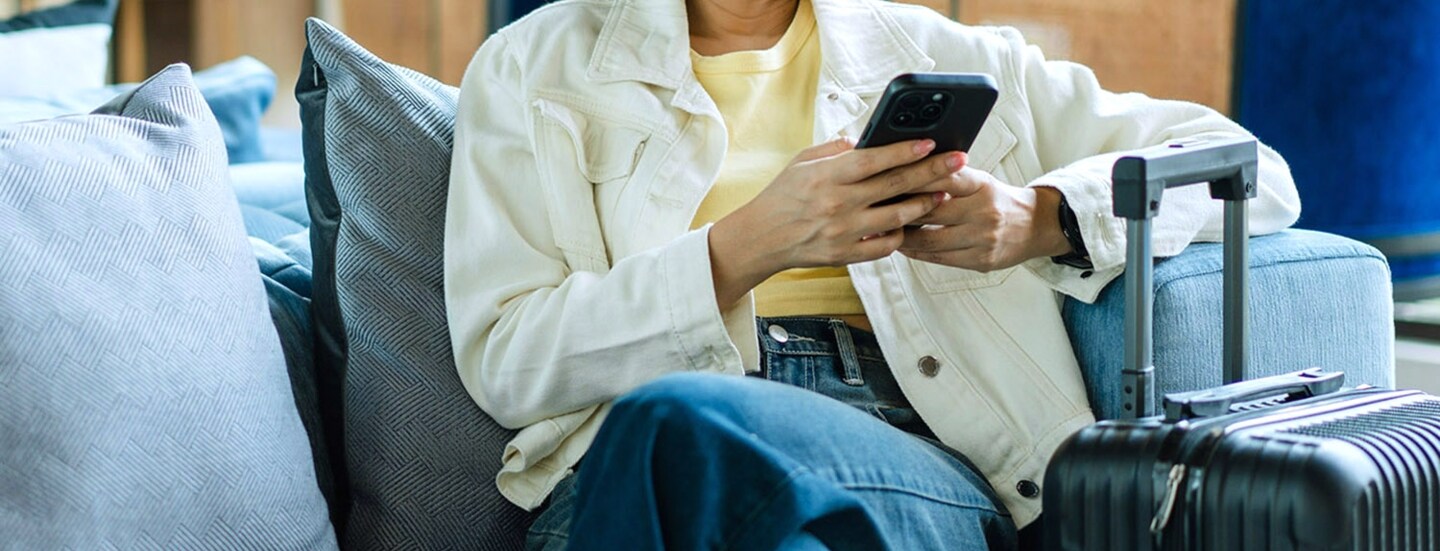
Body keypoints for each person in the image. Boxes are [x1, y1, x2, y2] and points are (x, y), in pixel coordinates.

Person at [444, 0, 1301, 548]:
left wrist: (1041, 218)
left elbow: (1253, 170)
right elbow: (507, 361)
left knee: (685, 426)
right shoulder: (537, 67)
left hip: (912, 455)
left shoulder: (938, 49)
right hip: (642, 465)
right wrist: (742, 247)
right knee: (689, 433)